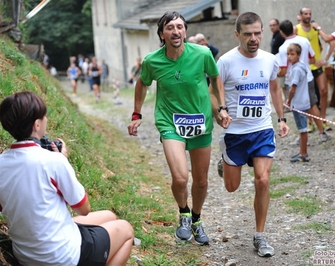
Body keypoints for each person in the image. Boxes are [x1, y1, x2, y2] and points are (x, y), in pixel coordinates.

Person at [127, 11, 230, 246]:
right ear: (162, 34)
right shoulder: (152, 61)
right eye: (170, 27)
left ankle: (196, 219)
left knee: (201, 181)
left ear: (185, 31)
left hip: (200, 122)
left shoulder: (203, 54)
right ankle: (184, 213)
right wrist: (136, 114)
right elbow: (142, 82)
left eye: (180, 27)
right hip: (170, 122)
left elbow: (215, 79)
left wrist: (221, 108)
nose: (176, 31)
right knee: (181, 178)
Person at [0, 91, 134, 266]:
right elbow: (83, 209)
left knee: (109, 216)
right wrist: (64, 162)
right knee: (126, 229)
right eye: (44, 116)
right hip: (64, 257)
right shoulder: (54, 161)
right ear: (37, 124)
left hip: (26, 256)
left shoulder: (2, 162)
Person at [213, 12, 289, 257]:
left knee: (263, 180)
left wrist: (282, 118)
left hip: (262, 130)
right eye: (248, 34)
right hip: (234, 133)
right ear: (237, 35)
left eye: (257, 33)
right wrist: (220, 112)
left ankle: (260, 235)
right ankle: (224, 163)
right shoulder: (225, 62)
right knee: (232, 187)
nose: (254, 38)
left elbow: (275, 89)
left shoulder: (269, 60)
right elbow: (213, 93)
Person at [277, 20, 331, 144]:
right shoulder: (304, 41)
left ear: (282, 32)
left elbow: (284, 71)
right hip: (307, 77)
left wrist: (275, 74)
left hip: (293, 80)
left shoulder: (282, 48)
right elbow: (312, 59)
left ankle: (303, 134)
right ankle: (321, 132)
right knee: (312, 105)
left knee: (298, 108)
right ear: (293, 29)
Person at [296, 7, 335, 132]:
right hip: (304, 68)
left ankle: (323, 119)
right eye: (305, 14)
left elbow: (331, 42)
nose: (308, 16)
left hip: (318, 65)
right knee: (308, 97)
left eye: (310, 14)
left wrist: (326, 59)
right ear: (300, 15)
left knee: (323, 91)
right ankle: (311, 121)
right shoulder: (296, 29)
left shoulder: (315, 28)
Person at [285, 43, 311, 162]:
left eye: (292, 54)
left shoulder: (296, 69)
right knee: (302, 129)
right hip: (303, 101)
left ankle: (303, 154)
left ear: (299, 55)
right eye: (288, 54)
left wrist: (289, 100)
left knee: (302, 129)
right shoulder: (302, 66)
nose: (289, 56)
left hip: (298, 103)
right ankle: (302, 152)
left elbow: (293, 88)